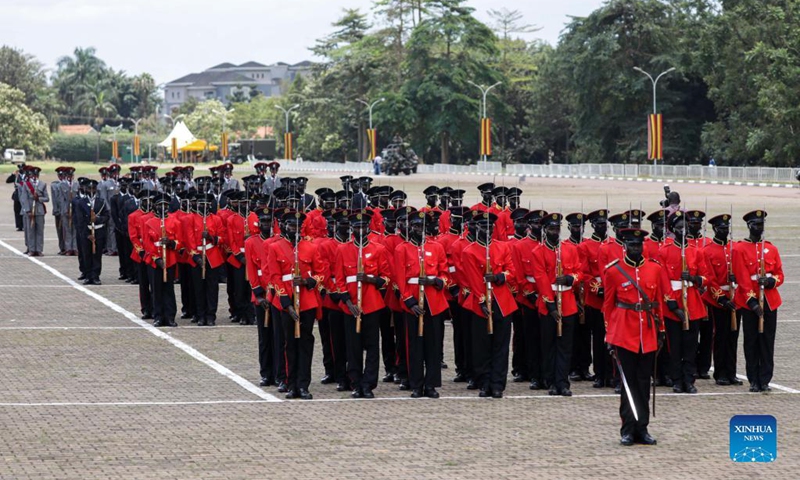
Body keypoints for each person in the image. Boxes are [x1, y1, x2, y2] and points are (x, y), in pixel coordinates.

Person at [603, 228, 664, 447]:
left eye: (639, 245)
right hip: (624, 335)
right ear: (625, 246)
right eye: (632, 245)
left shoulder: (654, 269)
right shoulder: (614, 271)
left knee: (643, 384)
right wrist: (610, 335)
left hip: (647, 334)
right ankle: (627, 429)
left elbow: (657, 303)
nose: (636, 249)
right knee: (628, 385)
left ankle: (643, 428)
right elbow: (608, 305)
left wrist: (661, 331)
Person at [267, 210, 327, 400]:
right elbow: (274, 276)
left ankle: (303, 385)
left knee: (305, 343)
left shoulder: (310, 247)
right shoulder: (275, 247)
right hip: (286, 300)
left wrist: (309, 281)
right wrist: (286, 303)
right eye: (291, 226)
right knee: (289, 344)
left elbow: (321, 273)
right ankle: (291, 384)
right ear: (284, 226)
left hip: (307, 301)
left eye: (297, 226)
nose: (294, 229)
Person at [334, 212, 392, 398]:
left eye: (363, 227)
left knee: (372, 346)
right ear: (352, 229)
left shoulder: (378, 249)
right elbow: (339, 280)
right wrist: (348, 302)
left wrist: (370, 279)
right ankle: (356, 383)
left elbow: (386, 278)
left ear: (368, 228)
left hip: (372, 305)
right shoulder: (343, 250)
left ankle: (368, 383)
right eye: (357, 227)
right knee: (353, 348)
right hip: (351, 306)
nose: (360, 230)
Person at [460, 211, 517, 398]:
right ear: (476, 228)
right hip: (481, 303)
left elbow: (512, 271)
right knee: (481, 346)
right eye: (484, 226)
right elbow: (474, 281)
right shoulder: (469, 251)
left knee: (501, 346)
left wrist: (499, 277)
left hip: (503, 302)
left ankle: (498, 383)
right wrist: (482, 301)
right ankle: (484, 382)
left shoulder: (502, 247)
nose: (487, 230)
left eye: (490, 227)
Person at [395, 210, 449, 398]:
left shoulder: (437, 247)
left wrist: (436, 281)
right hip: (413, 301)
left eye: (422, 226)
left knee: (433, 345)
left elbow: (444, 273)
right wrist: (409, 301)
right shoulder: (402, 248)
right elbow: (400, 278)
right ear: (411, 227)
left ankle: (431, 384)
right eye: (416, 226)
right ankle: (416, 383)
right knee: (415, 345)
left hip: (434, 300)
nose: (419, 229)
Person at [733, 210, 784, 392]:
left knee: (767, 341)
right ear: (749, 226)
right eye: (755, 225)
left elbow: (779, 274)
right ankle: (753, 378)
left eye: (761, 225)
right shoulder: (739, 249)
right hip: (750, 302)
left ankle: (765, 379)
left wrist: (771, 281)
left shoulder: (771, 249)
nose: (759, 228)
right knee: (752, 341)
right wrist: (752, 301)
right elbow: (742, 277)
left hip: (770, 300)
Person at [659, 210, 709, 394]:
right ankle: (677, 380)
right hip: (673, 303)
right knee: (675, 346)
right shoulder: (664, 251)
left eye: (685, 227)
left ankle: (689, 380)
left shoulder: (696, 251)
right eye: (679, 227)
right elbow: (663, 281)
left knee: (690, 345)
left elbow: (706, 277)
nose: (683, 230)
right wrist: (672, 305)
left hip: (693, 303)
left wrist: (695, 278)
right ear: (672, 229)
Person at [532, 213, 582, 397]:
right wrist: (550, 305)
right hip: (549, 303)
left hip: (567, 301)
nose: (555, 232)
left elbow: (579, 272)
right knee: (549, 345)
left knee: (565, 346)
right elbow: (540, 278)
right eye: (551, 229)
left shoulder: (569, 249)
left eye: (557, 229)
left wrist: (570, 278)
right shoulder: (538, 252)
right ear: (545, 230)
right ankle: (551, 381)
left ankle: (563, 381)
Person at [702, 213, 742, 386]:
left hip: (736, 297)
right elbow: (709, 278)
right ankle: (720, 373)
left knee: (733, 337)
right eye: (722, 229)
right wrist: (721, 299)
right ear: (715, 229)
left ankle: (731, 372)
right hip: (717, 300)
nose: (725, 231)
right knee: (720, 337)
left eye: (727, 228)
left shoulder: (735, 248)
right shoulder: (708, 251)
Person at [143, 193, 181, 327]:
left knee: (169, 289)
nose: (163, 208)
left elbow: (179, 242)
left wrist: (171, 243)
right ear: (155, 206)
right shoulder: (149, 223)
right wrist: (156, 258)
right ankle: (158, 316)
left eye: (165, 205)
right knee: (156, 289)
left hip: (169, 258)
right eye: (160, 205)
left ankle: (170, 316)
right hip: (156, 261)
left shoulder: (174, 221)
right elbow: (147, 244)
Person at [75, 179, 109, 285]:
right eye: (89, 188)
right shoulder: (81, 202)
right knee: (87, 254)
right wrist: (87, 234)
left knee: (97, 254)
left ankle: (96, 276)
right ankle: (88, 275)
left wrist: (97, 219)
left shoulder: (101, 202)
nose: (91, 191)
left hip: (98, 231)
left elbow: (107, 216)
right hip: (87, 232)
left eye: (93, 188)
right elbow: (80, 220)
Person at [18, 166, 49, 256]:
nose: (34, 177)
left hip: (39, 211)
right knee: (30, 231)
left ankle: (39, 249)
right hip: (30, 210)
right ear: (30, 175)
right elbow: (24, 198)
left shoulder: (42, 184)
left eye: (36, 175)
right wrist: (27, 210)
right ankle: (31, 249)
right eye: (33, 175)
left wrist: (39, 198)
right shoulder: (26, 184)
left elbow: (47, 198)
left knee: (40, 231)